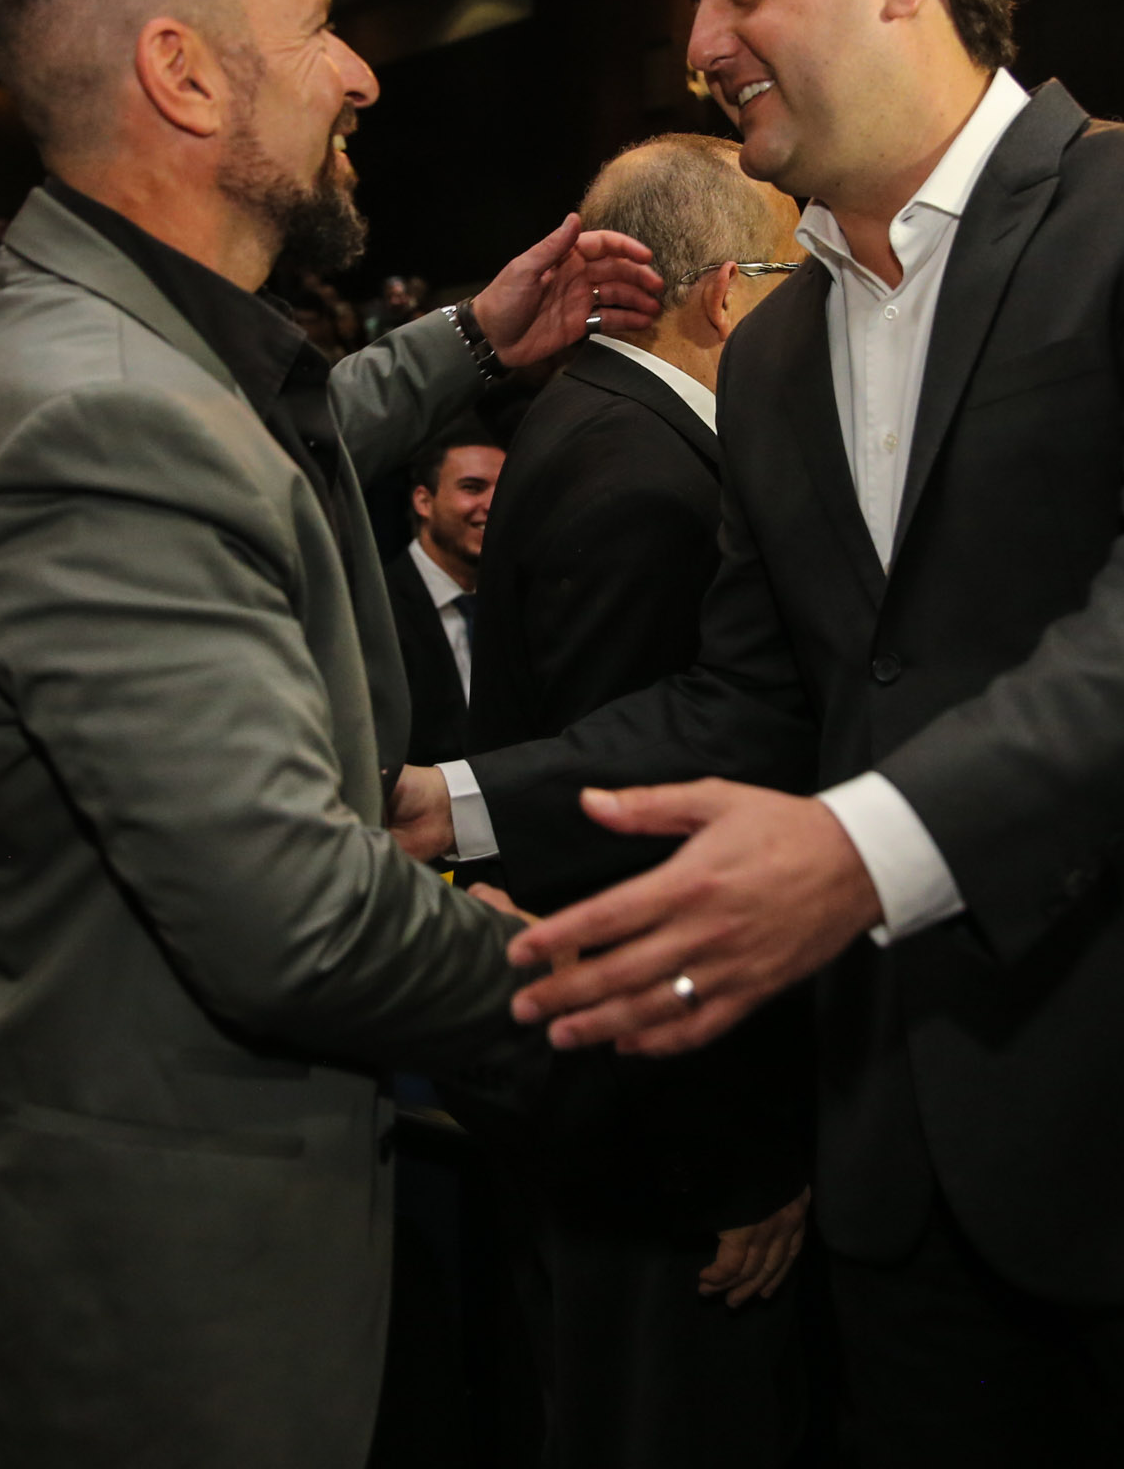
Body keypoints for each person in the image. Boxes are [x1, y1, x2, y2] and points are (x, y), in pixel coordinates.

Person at [400, 0, 1124, 1466]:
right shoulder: (783, 347)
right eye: (691, 5)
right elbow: (748, 701)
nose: (701, 46)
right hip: (913, 1175)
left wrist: (856, 855)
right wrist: (442, 802)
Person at [0, 0, 664, 1467]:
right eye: (317, 28)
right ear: (181, 75)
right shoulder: (101, 412)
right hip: (113, 1326)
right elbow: (299, 923)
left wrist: (471, 341)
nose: (358, 70)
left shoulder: (115, 343)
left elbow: (279, 433)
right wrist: (614, 987)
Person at [460, 131, 817, 1469]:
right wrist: (739, 1162)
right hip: (653, 1120)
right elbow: (645, 841)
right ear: (724, 290)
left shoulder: (585, 419)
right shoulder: (655, 479)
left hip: (599, 1097)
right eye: (795, 270)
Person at [383, 421, 500, 767]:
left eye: (504, 488)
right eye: (473, 487)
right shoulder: (375, 606)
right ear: (424, 501)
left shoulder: (522, 602)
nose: (494, 503)